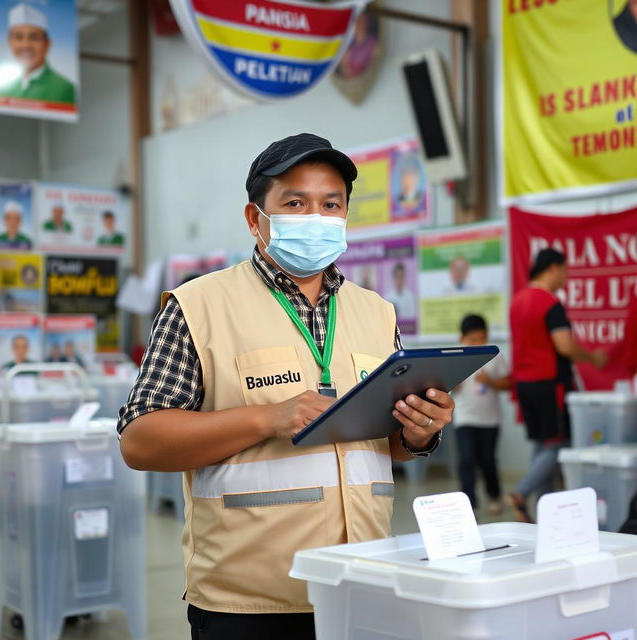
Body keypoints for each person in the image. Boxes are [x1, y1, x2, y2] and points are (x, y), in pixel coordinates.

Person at [117, 133, 454, 640]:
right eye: (295, 202)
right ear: (256, 219)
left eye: (331, 204)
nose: (315, 217)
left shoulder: (376, 313)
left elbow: (384, 450)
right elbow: (139, 441)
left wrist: (419, 433)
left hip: (361, 582)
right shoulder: (198, 307)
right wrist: (267, 418)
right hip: (250, 602)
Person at [508, 248, 607, 522]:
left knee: (543, 445)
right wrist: (593, 357)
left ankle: (545, 512)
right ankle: (521, 491)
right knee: (558, 444)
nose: (566, 276)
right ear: (553, 268)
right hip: (550, 383)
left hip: (526, 384)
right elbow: (564, 345)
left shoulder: (518, 301)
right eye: (565, 270)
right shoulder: (549, 302)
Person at [451, 315, 510, 514]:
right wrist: (454, 381)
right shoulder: (456, 356)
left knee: (488, 460)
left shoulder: (494, 355)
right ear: (462, 338)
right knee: (467, 459)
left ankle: (494, 496)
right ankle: (469, 504)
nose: (478, 344)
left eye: (482, 339)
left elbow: (508, 383)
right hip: (464, 417)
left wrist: (490, 382)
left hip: (490, 418)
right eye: (473, 339)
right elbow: (447, 386)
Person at [0, 3, 76, 104]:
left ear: (47, 44)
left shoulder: (64, 89)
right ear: (10, 42)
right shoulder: (2, 88)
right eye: (18, 37)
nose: (26, 45)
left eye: (34, 38)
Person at [337, 12, 379, 79]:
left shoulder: (373, 42)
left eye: (361, 21)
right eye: (356, 22)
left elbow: (375, 64)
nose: (358, 25)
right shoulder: (347, 44)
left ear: (366, 23)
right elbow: (345, 69)